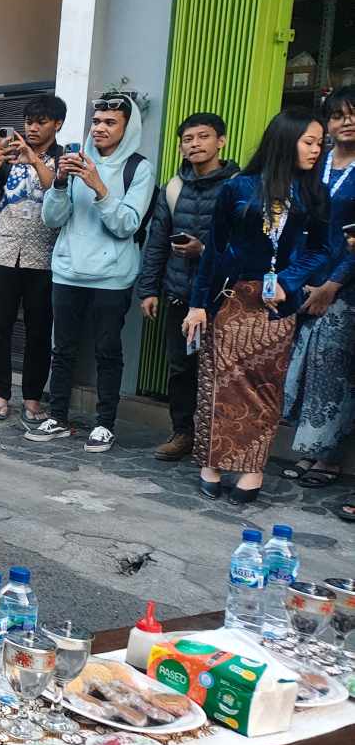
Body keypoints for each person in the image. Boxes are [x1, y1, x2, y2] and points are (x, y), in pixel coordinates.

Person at [184, 108, 330, 505]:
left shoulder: (315, 192)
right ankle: (211, 464)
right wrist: (198, 305)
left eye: (320, 143)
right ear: (285, 141)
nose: (317, 150)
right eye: (309, 142)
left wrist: (289, 280)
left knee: (264, 389)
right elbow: (212, 251)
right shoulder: (239, 187)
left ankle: (252, 468)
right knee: (219, 384)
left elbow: (320, 250)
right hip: (231, 302)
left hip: (275, 307)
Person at [26, 93, 154, 452]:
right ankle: (58, 416)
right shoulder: (75, 161)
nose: (99, 128)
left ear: (127, 129)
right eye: (97, 121)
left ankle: (105, 424)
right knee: (62, 349)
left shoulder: (137, 168)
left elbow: (127, 225)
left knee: (107, 351)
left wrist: (98, 186)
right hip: (68, 270)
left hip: (112, 278)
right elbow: (52, 219)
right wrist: (62, 183)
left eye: (110, 122)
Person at [136, 112, 238, 460]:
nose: (195, 144)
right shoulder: (174, 187)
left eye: (203, 137)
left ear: (221, 141)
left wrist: (203, 250)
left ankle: (220, 441)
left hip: (226, 299)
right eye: (188, 139)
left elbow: (249, 247)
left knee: (224, 373)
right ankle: (183, 434)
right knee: (181, 369)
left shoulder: (239, 186)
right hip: (179, 294)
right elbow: (157, 242)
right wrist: (148, 289)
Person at [0, 97, 67, 418]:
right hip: (2, 253)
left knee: (39, 331)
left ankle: (33, 398)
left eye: (41, 121)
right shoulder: (6, 158)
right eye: (29, 121)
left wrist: (35, 161)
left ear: (57, 125)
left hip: (45, 259)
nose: (32, 128)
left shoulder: (65, 159)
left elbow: (58, 191)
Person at [282, 87, 355, 495]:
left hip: (343, 287)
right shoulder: (315, 162)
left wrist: (334, 283)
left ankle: (329, 456)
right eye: (338, 115)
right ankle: (309, 449)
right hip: (305, 278)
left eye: (353, 114)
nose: (346, 121)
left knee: (334, 372)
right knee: (305, 367)